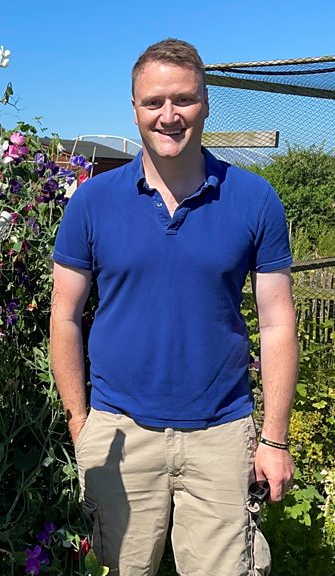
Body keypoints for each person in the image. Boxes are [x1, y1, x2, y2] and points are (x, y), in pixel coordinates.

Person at [49, 39, 298, 576]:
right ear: (134, 108)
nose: (169, 116)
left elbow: (278, 323)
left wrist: (274, 439)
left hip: (220, 433)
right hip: (119, 430)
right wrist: (80, 425)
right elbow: (64, 316)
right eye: (153, 102)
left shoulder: (254, 200)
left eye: (183, 100)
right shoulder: (92, 202)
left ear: (205, 103)